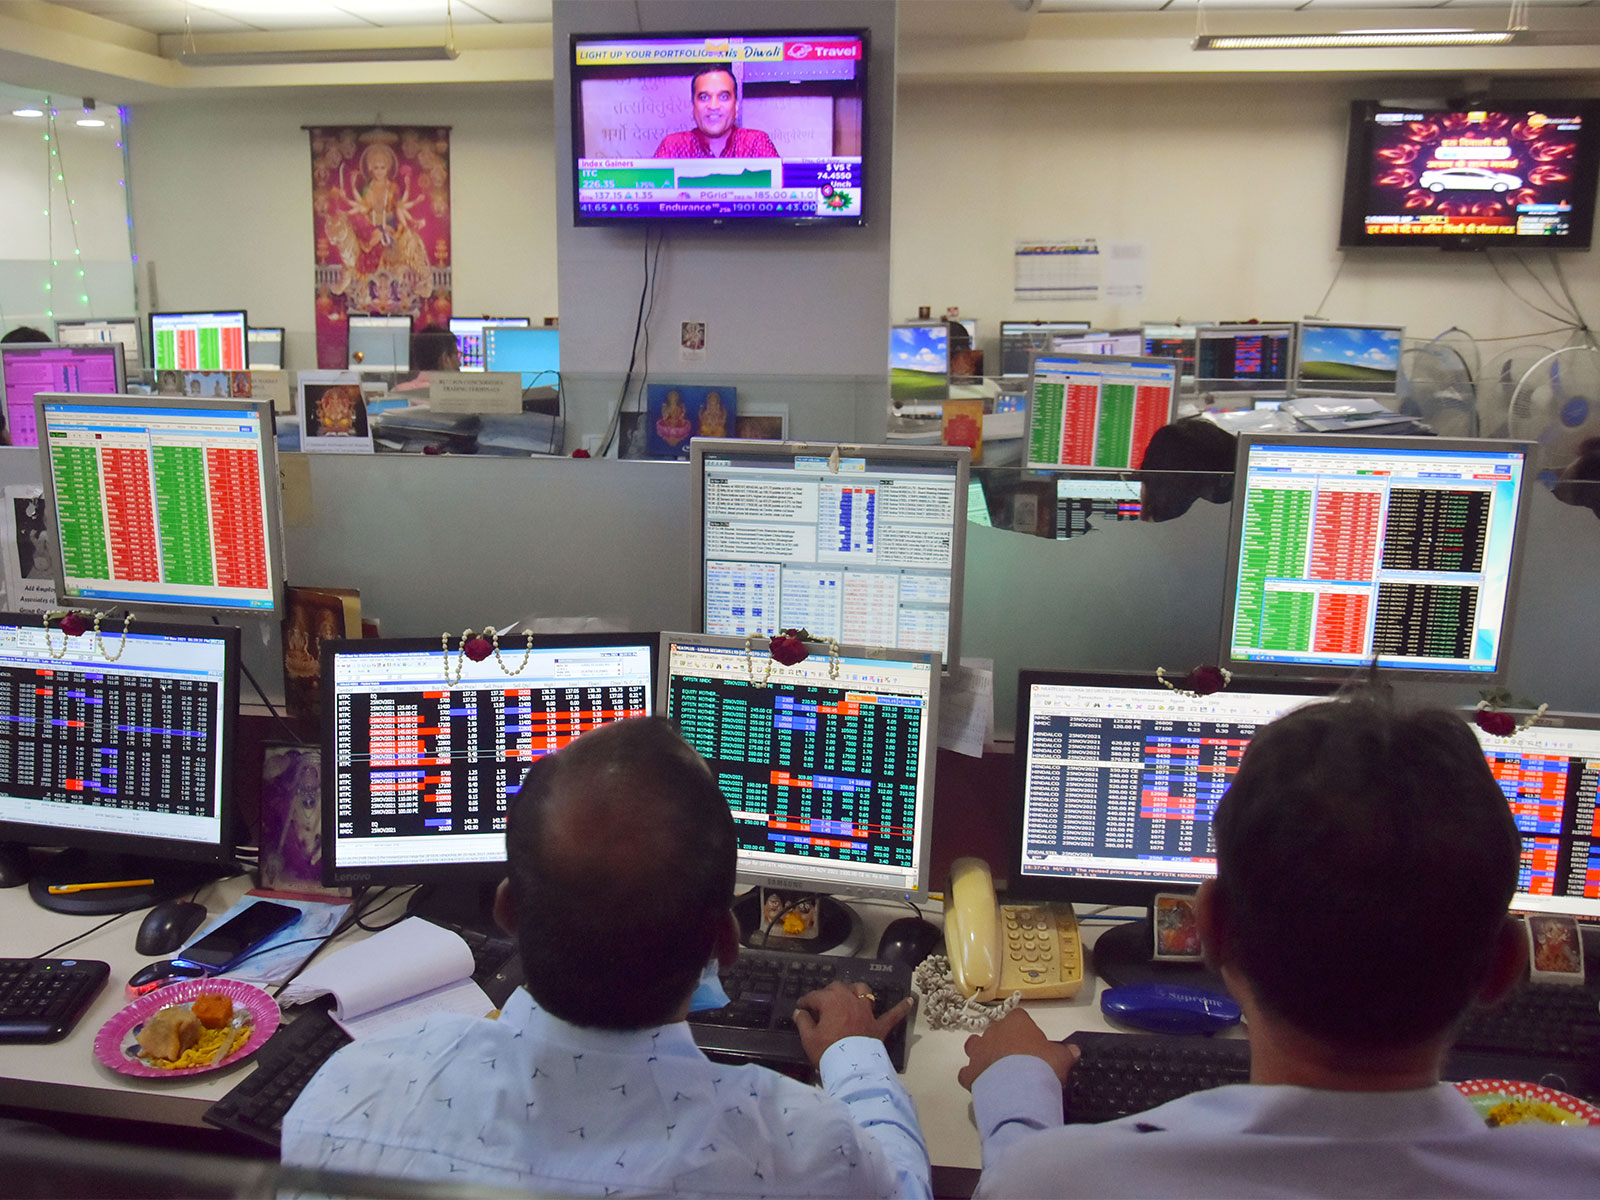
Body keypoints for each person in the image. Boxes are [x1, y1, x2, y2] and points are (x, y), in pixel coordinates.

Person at [959, 696, 1600, 1197]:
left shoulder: (1062, 1183)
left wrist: (1017, 1082)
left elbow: (1026, 1175)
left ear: (1210, 932)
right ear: (1506, 967)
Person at [282, 717, 929, 1197]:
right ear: (723, 945)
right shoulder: (803, 1149)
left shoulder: (347, 1098)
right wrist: (856, 1055)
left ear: (506, 911)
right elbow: (903, 1187)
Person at [653, 65, 778, 159]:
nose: (713, 106)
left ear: (736, 106)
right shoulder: (673, 147)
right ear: (693, 107)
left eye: (723, 97)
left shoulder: (755, 144)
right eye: (704, 97)